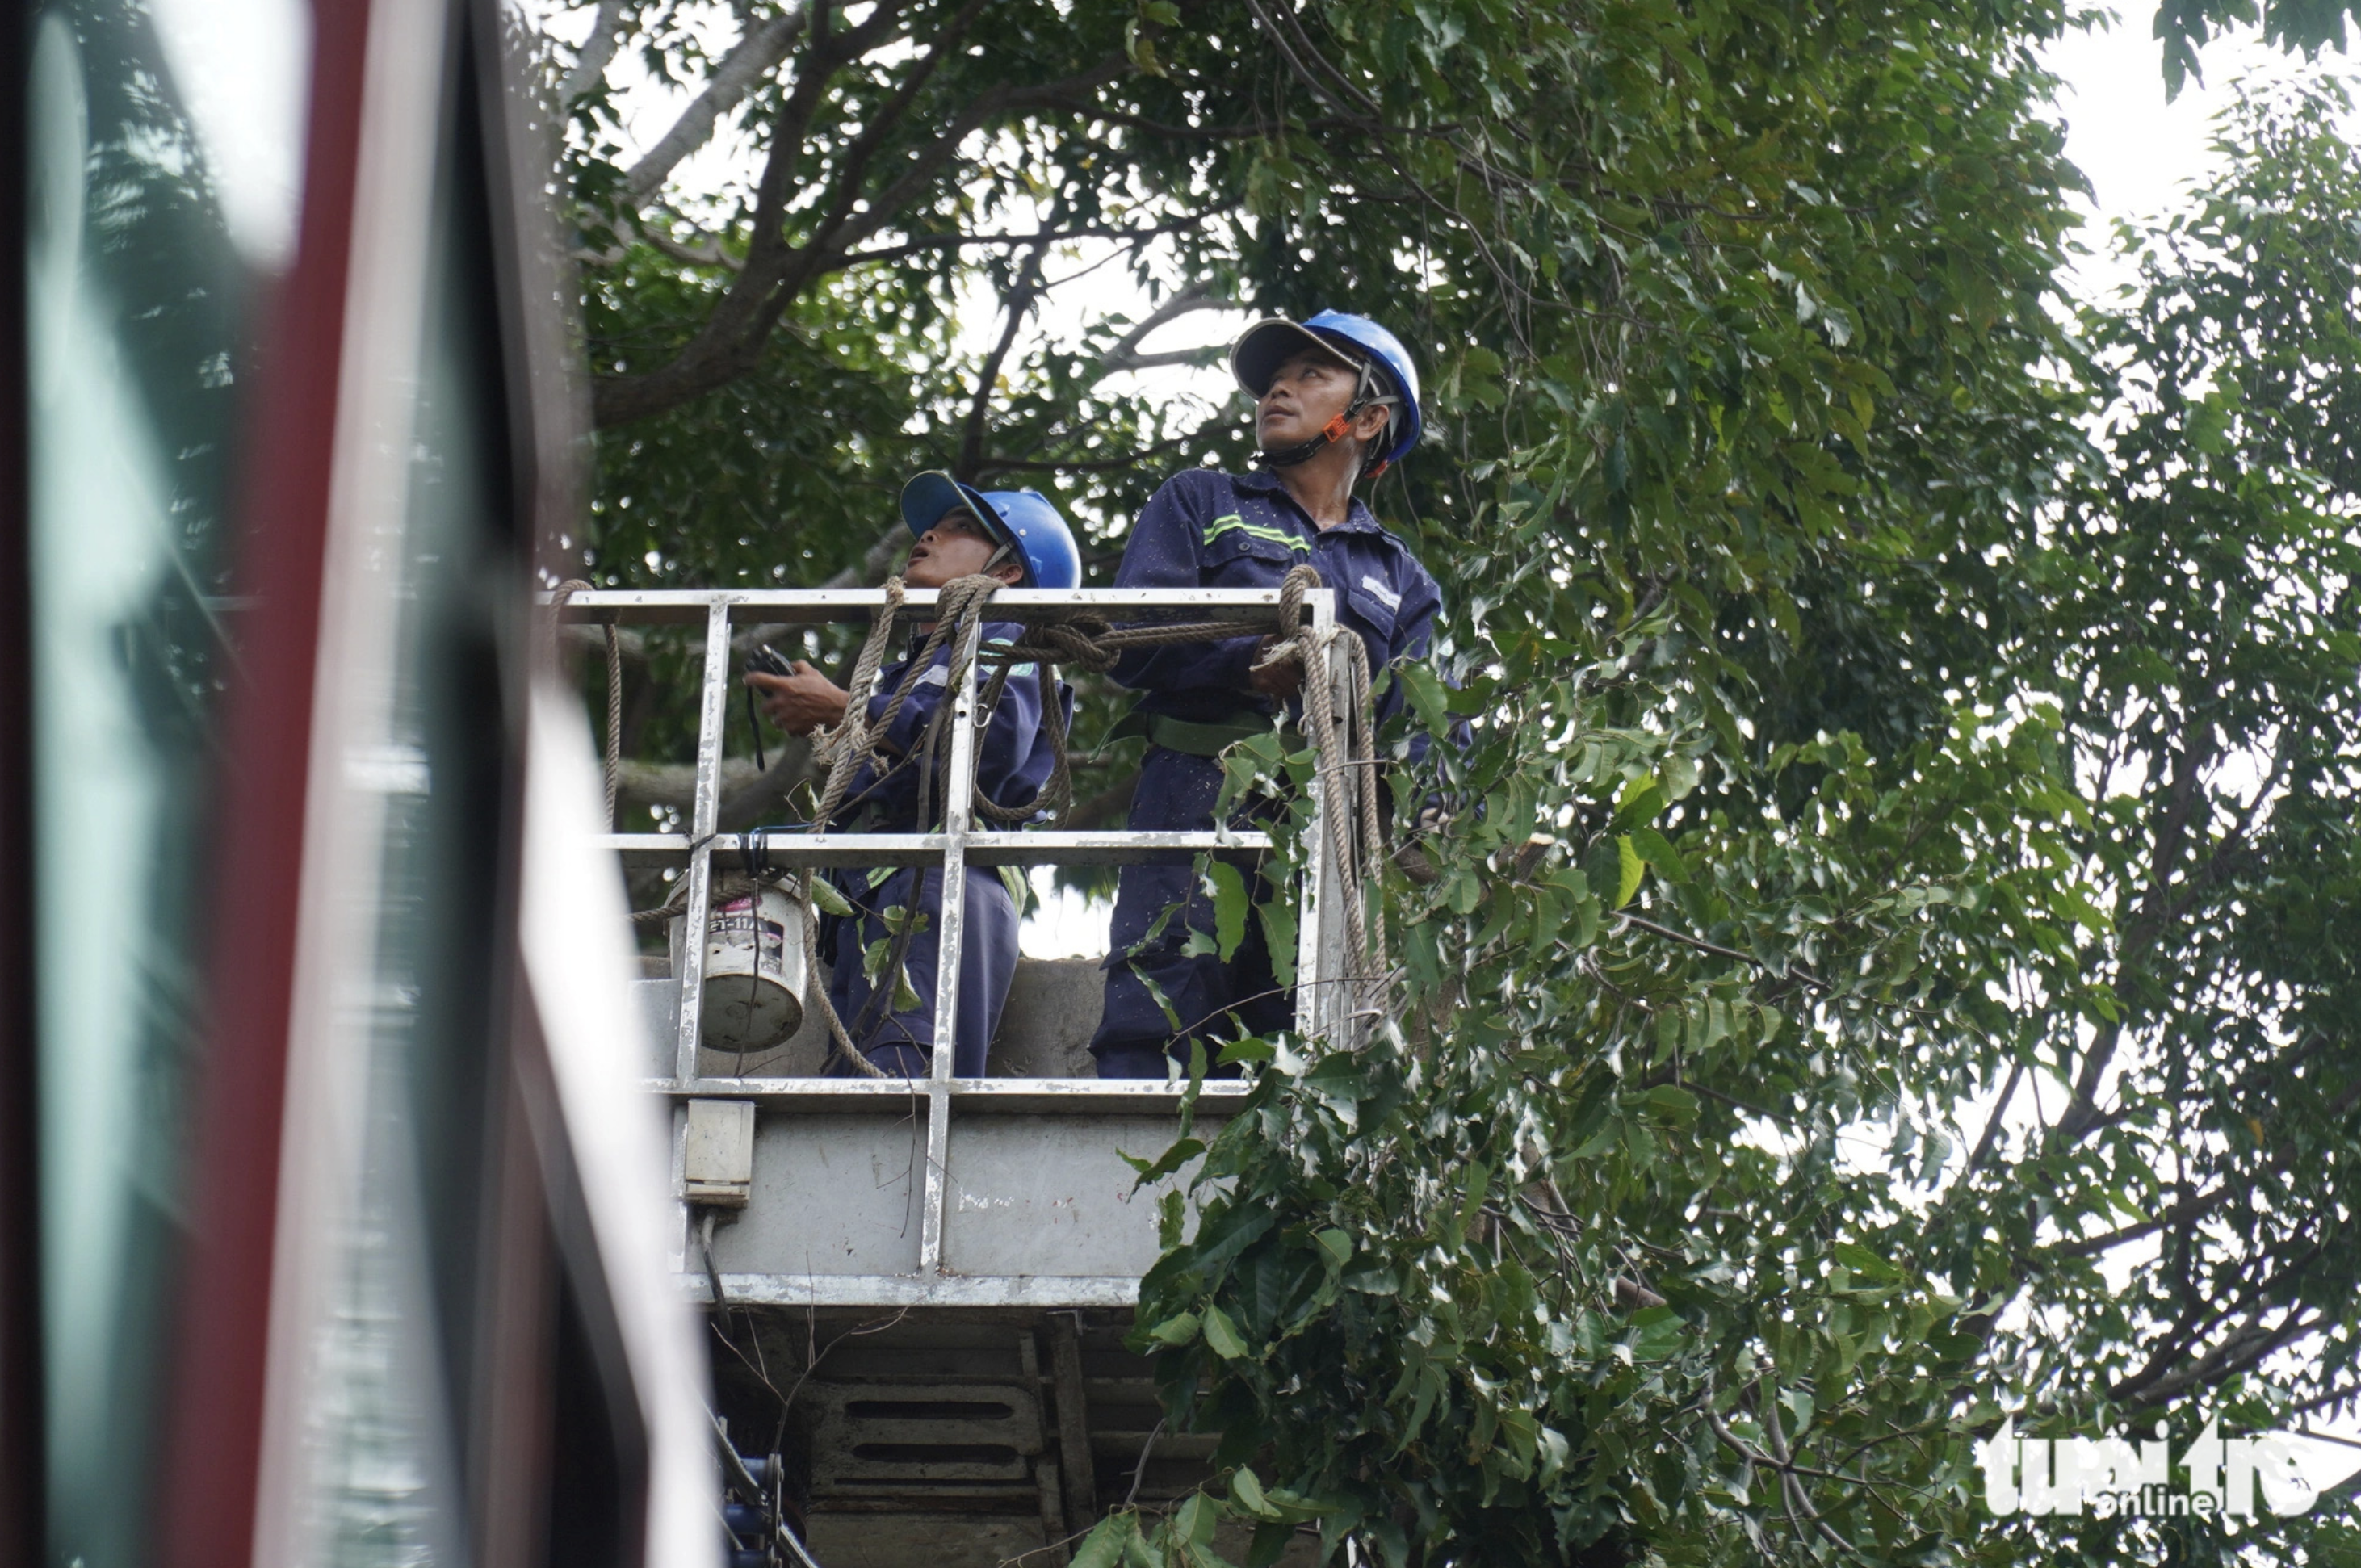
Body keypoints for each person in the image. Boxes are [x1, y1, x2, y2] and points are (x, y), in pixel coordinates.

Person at [1090, 311, 1442, 1079]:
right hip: (1197, 801)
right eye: (1275, 378)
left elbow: (1425, 731)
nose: (1279, 389)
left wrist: (1453, 825)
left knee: (1297, 1042)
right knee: (1161, 1004)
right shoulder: (1202, 502)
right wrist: (1240, 661)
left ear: (1369, 417)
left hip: (1320, 835)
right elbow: (1127, 636)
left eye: (1312, 375)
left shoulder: (1402, 579)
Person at [748, 472, 1080, 1079]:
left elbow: (987, 749)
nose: (929, 534)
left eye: (963, 530)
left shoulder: (1012, 646)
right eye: (935, 525)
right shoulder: (912, 673)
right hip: (877, 903)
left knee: (902, 1090)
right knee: (855, 1094)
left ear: (1007, 573)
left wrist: (848, 708)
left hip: (944, 887)